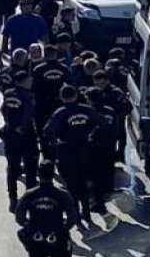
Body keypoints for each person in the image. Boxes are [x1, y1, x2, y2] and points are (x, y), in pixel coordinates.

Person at [43, 85, 105, 222]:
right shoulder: (87, 109)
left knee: (71, 183)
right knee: (83, 181)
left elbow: (47, 131)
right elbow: (103, 122)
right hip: (84, 148)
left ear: (61, 97)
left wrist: (55, 144)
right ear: (76, 95)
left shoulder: (60, 112)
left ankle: (75, 211)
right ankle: (86, 211)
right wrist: (92, 136)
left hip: (66, 150)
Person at [86, 69, 130, 210]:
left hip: (113, 130)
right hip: (103, 134)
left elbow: (127, 107)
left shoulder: (116, 93)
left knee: (107, 162)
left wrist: (116, 114)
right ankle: (103, 189)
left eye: (102, 83)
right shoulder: (93, 94)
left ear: (107, 81)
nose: (99, 86)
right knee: (103, 164)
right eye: (97, 83)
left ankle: (106, 189)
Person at [0, 69, 39, 210]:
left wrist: (10, 124)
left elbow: (3, 110)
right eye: (29, 80)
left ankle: (13, 199)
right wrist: (22, 127)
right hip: (26, 136)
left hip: (10, 134)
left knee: (12, 168)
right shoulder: (28, 95)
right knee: (30, 168)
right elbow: (28, 114)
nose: (31, 82)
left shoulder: (8, 93)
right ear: (22, 81)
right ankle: (30, 199)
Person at [32, 45, 71, 134]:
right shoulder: (63, 68)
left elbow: (34, 88)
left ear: (44, 55)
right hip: (59, 102)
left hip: (42, 103)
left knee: (43, 129)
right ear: (56, 54)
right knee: (60, 128)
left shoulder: (38, 69)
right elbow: (70, 85)